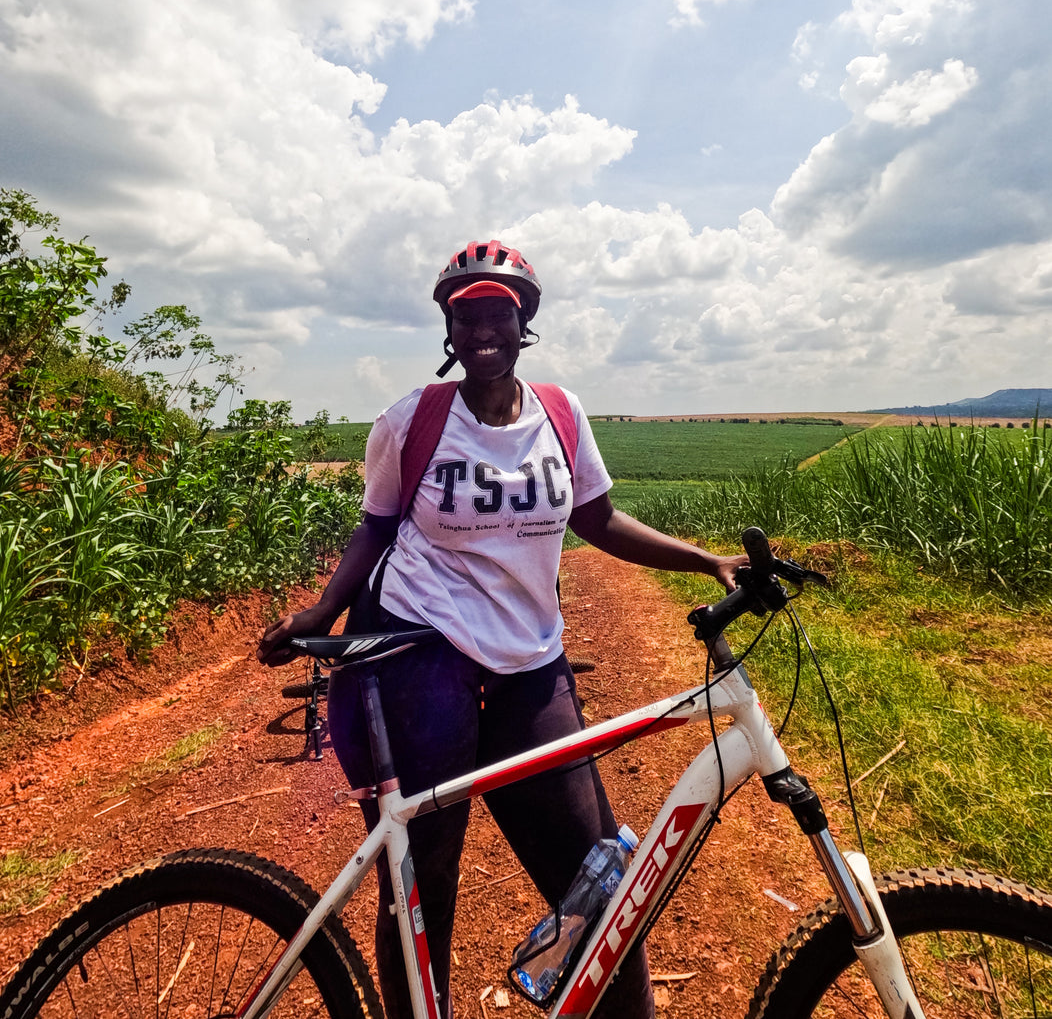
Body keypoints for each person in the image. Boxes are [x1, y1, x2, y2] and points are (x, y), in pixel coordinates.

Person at [259, 241, 745, 1019]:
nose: (484, 326)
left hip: (529, 665)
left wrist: (706, 560)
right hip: (421, 662)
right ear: (450, 329)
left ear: (525, 325)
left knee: (597, 885)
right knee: (422, 888)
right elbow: (375, 528)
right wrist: (321, 611)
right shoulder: (411, 421)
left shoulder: (560, 414)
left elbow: (598, 517)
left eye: (500, 312)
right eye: (467, 313)